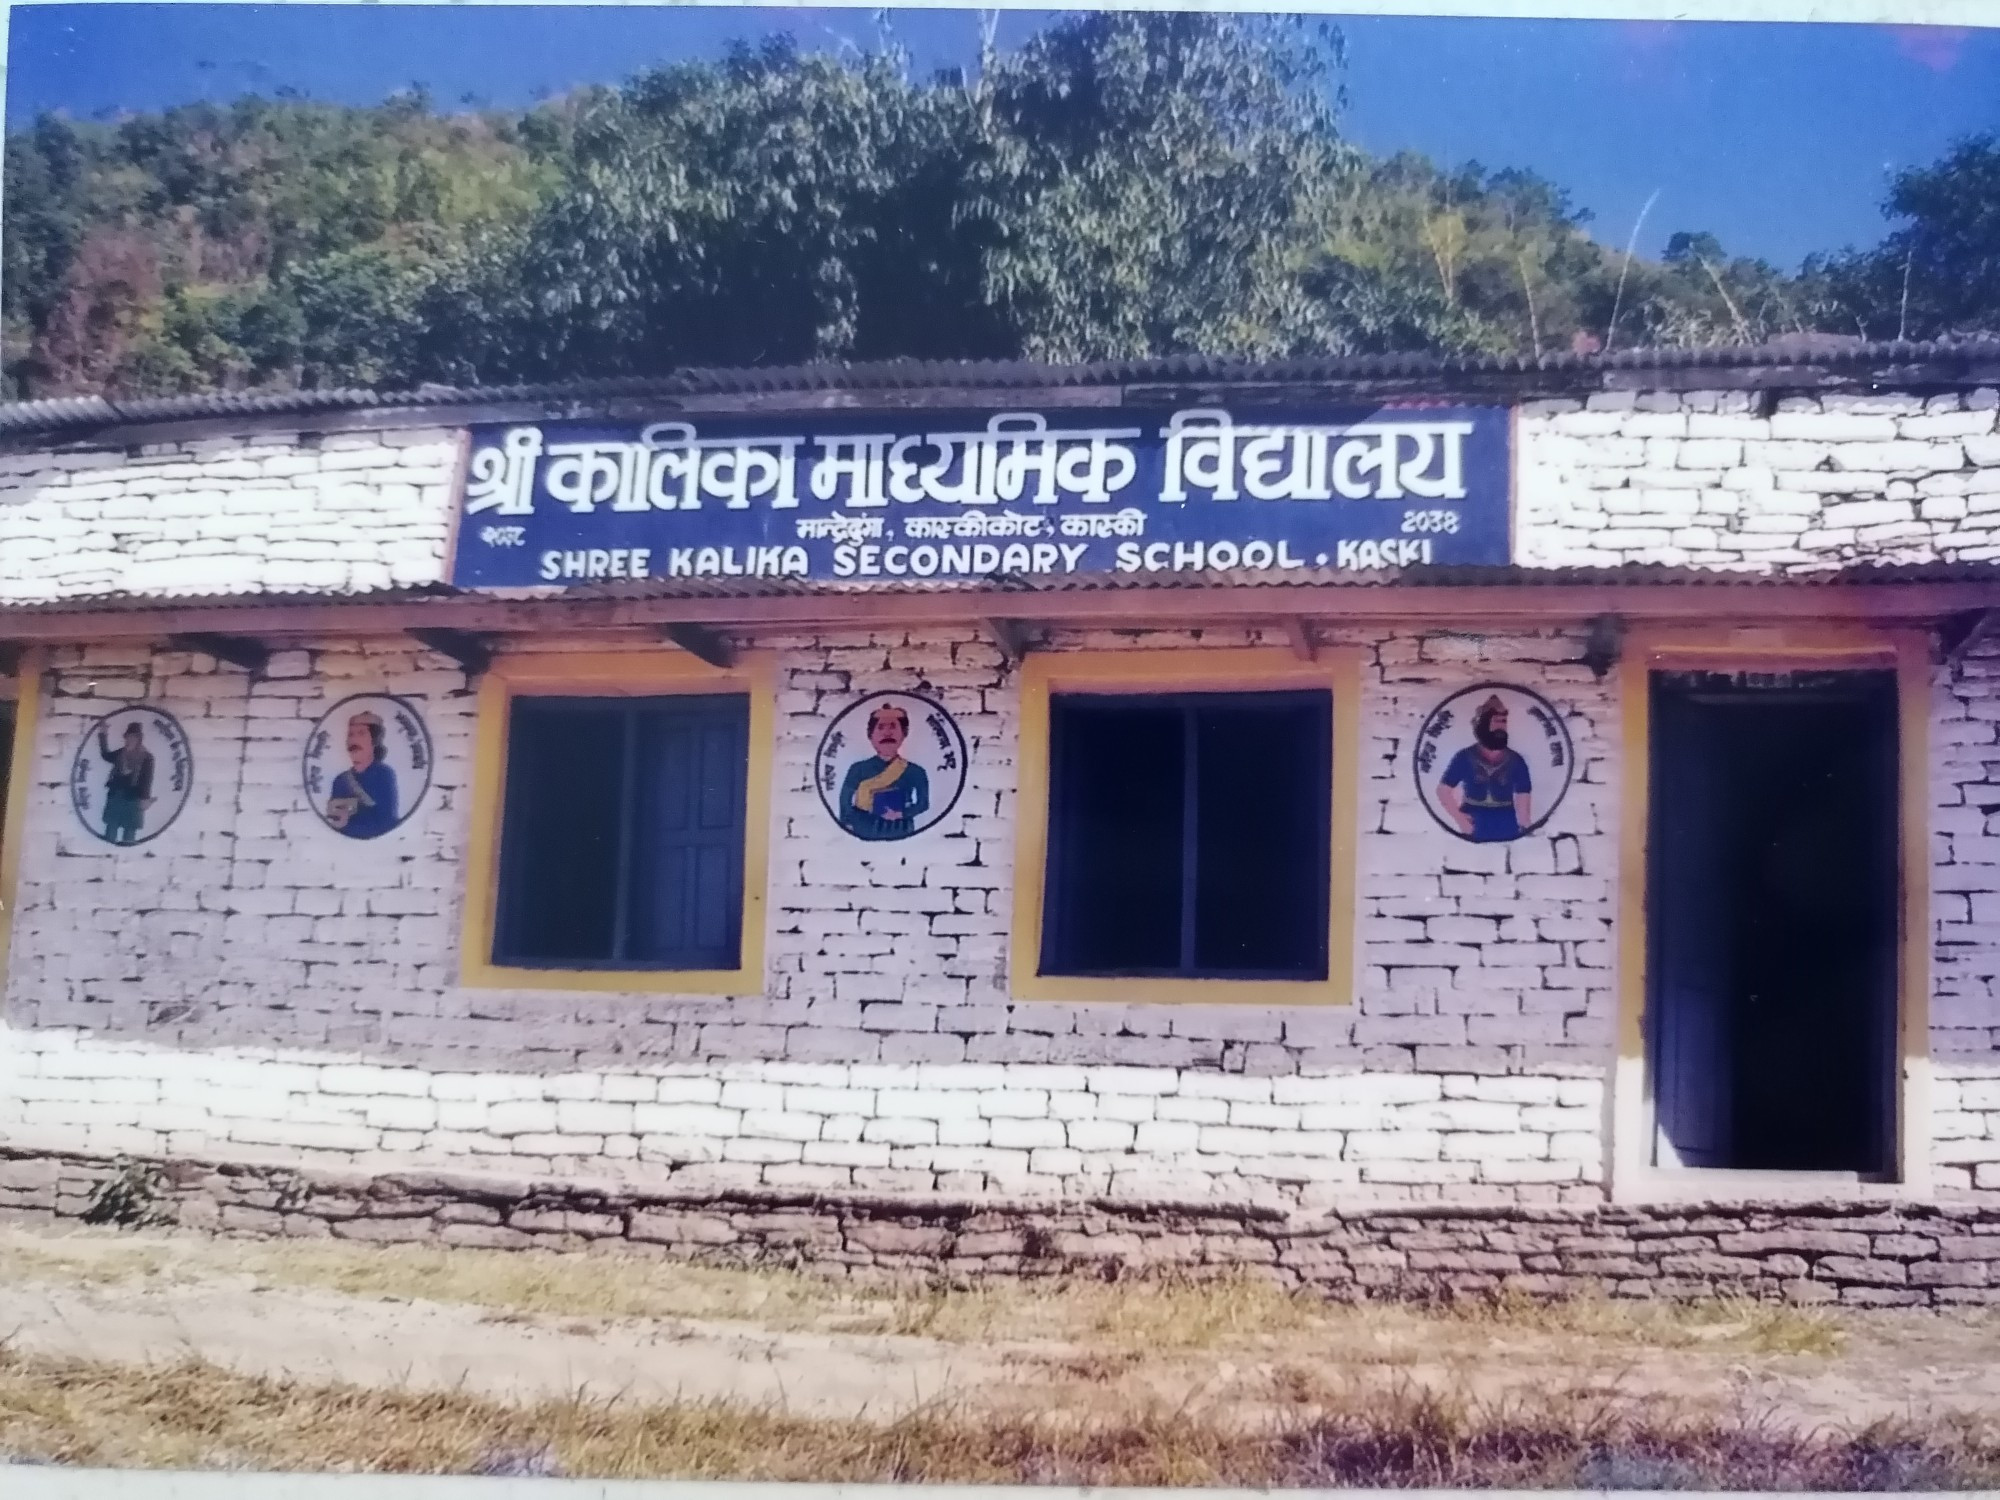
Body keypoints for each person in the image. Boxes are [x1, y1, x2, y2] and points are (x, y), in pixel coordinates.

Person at [1437, 694, 1533, 842]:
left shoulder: (1516, 761)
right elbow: (1443, 790)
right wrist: (1460, 819)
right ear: (1483, 724)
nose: (1501, 726)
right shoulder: (1464, 757)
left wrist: (1525, 827)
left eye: (1504, 721)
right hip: (1473, 822)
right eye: (1496, 721)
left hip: (1506, 823)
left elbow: (1523, 797)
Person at [837, 703, 930, 841]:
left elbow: (923, 804)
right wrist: (850, 828)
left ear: (904, 733)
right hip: (863, 828)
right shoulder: (858, 769)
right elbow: (845, 802)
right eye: (880, 727)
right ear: (871, 735)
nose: (887, 733)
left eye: (893, 727)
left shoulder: (915, 771)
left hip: (899, 829)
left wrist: (900, 814)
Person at [326, 710, 399, 839]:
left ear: (375, 741)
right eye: (351, 734)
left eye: (361, 733)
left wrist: (347, 824)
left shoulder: (384, 775)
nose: (354, 740)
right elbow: (333, 822)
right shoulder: (340, 781)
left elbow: (387, 823)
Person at [98, 720, 155, 845]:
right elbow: (106, 755)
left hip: (133, 798)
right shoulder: (120, 753)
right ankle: (107, 850)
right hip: (116, 795)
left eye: (133, 737)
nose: (130, 740)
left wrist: (145, 799)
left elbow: (147, 780)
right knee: (111, 828)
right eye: (128, 737)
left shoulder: (147, 758)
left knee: (129, 831)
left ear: (139, 739)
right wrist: (103, 734)